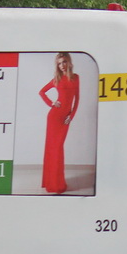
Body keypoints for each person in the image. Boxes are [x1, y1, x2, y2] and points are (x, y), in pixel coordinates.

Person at [38, 52, 80, 194]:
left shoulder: (76, 78)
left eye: (64, 62)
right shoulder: (57, 79)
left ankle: (58, 183)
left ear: (69, 62)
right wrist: (51, 103)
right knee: (53, 149)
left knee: (58, 149)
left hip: (65, 118)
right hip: (54, 117)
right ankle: (53, 184)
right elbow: (42, 92)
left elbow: (77, 99)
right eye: (59, 63)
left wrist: (71, 116)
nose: (62, 65)